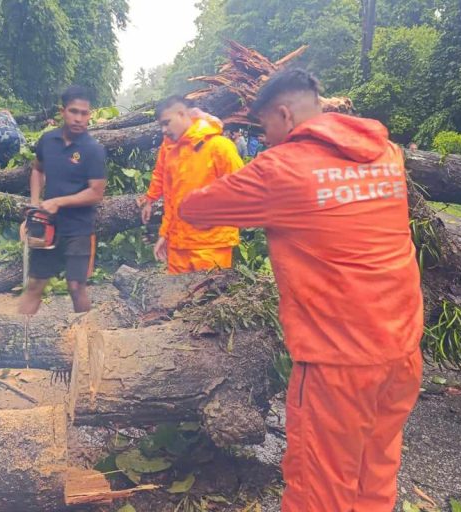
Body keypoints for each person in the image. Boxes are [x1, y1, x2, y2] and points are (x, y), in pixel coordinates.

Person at [180, 67, 423, 512]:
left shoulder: (282, 168)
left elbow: (195, 209)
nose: (266, 140)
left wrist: (202, 134)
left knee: (319, 489)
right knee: (376, 472)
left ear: (285, 115)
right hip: (402, 350)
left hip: (338, 362)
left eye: (265, 129)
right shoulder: (388, 154)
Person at [17, 85, 107, 314]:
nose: (79, 118)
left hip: (79, 229)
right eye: (73, 111)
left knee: (76, 287)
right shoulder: (47, 141)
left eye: (84, 113)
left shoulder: (93, 150)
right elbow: (37, 170)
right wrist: (36, 203)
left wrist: (58, 202)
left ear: (90, 114)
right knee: (35, 284)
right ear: (62, 111)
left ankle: (85, 340)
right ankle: (18, 341)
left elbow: (96, 192)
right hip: (47, 226)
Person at [138, 96, 243, 274]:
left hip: (211, 246)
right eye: (161, 125)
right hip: (178, 247)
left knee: (207, 300)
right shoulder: (172, 153)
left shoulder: (219, 146)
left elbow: (243, 191)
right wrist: (165, 234)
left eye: (166, 123)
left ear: (181, 114)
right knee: (177, 300)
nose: (164, 130)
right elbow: (171, 200)